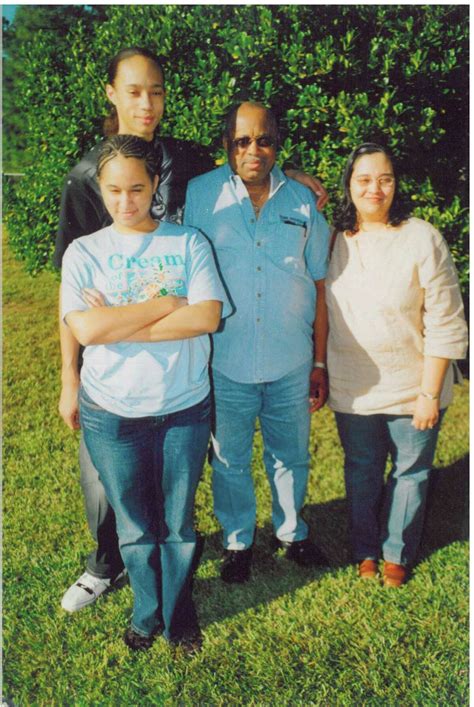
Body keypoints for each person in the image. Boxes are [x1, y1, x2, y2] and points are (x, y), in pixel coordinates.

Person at [56, 46, 329, 612]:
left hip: (183, 349)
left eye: (155, 91)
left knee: (178, 462)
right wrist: (69, 374)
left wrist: (292, 178)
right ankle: (106, 565)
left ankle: (191, 544)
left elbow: (247, 165)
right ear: (110, 93)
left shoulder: (184, 161)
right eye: (133, 91)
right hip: (111, 357)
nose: (146, 103)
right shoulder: (86, 177)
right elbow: (73, 297)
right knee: (106, 477)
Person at [60, 134, 229, 651]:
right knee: (133, 525)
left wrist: (116, 320)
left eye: (137, 188)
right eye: (114, 190)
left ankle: (179, 612)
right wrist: (166, 301)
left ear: (155, 184)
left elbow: (207, 316)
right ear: (101, 189)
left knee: (177, 522)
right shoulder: (84, 251)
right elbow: (84, 331)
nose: (125, 201)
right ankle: (145, 612)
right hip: (111, 412)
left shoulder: (188, 242)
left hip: (183, 409)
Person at [185, 101, 331, 583]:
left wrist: (318, 361)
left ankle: (292, 533)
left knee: (291, 454)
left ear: (277, 143)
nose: (254, 149)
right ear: (227, 143)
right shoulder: (200, 194)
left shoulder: (302, 201)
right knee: (228, 459)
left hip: (290, 359)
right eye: (243, 140)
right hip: (225, 360)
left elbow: (319, 282)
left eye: (264, 139)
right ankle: (237, 540)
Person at [326, 143, 467, 587]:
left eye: (385, 178)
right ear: (349, 185)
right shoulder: (332, 240)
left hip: (415, 387)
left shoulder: (422, 237)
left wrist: (429, 392)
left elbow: (445, 318)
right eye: (364, 179)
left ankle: (396, 553)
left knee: (411, 472)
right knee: (362, 469)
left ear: (396, 183)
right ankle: (366, 548)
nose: (375, 188)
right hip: (354, 387)